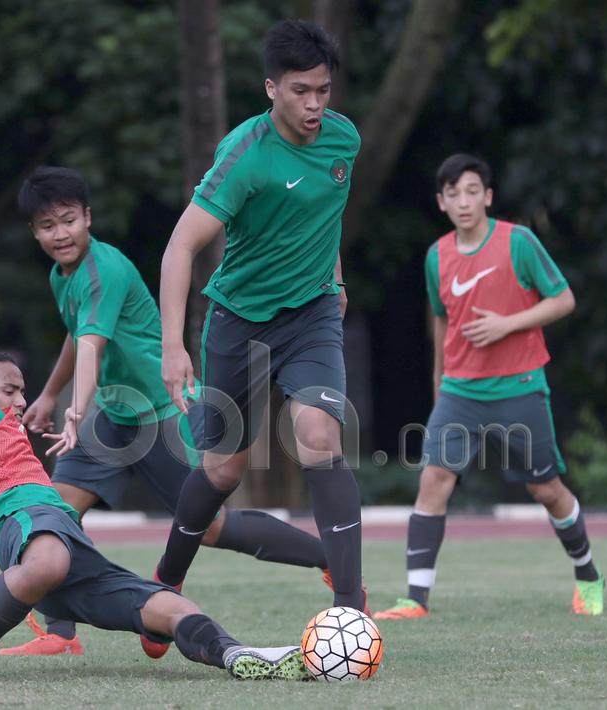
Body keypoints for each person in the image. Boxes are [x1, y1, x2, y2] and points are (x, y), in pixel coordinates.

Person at [0, 224, 307, 682]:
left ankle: (238, 655)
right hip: (40, 545)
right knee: (49, 560)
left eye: (23, 391)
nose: (22, 400)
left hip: (63, 553)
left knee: (172, 606)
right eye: (10, 390)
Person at [2, 166, 332, 658]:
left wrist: (74, 408)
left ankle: (332, 560)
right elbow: (78, 333)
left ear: (88, 218)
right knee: (54, 515)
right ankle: (61, 634)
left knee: (211, 526)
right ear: (34, 232)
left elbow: (92, 344)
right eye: (48, 226)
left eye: (68, 220)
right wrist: (51, 395)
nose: (60, 234)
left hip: (162, 412)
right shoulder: (61, 275)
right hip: (115, 417)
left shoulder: (103, 271)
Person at [153, 19, 366, 613]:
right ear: (272, 88)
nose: (315, 104)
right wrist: (174, 347)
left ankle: (351, 608)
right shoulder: (244, 155)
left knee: (320, 436)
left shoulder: (343, 141)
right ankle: (166, 581)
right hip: (239, 321)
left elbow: (327, 212)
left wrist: (337, 278)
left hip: (313, 316)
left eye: (323, 90)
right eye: (302, 91)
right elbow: (179, 247)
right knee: (223, 470)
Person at [373, 154, 605, 620]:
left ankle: (588, 576)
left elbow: (564, 299)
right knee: (433, 482)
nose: (464, 201)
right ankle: (415, 599)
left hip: (519, 388)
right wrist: (440, 382)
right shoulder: (436, 256)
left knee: (547, 490)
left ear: (489, 197)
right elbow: (442, 322)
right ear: (441, 202)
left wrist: (507, 325)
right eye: (453, 193)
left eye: (472, 191)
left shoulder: (519, 242)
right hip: (459, 392)